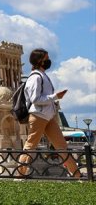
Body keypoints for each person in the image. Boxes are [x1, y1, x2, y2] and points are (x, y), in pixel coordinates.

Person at [18, 49, 81, 179]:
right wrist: (55, 96)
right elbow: (35, 99)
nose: (48, 60)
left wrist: (54, 99)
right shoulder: (35, 77)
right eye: (46, 58)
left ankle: (77, 175)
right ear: (40, 60)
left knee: (61, 145)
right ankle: (19, 174)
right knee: (31, 145)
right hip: (38, 116)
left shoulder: (42, 75)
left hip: (48, 116)